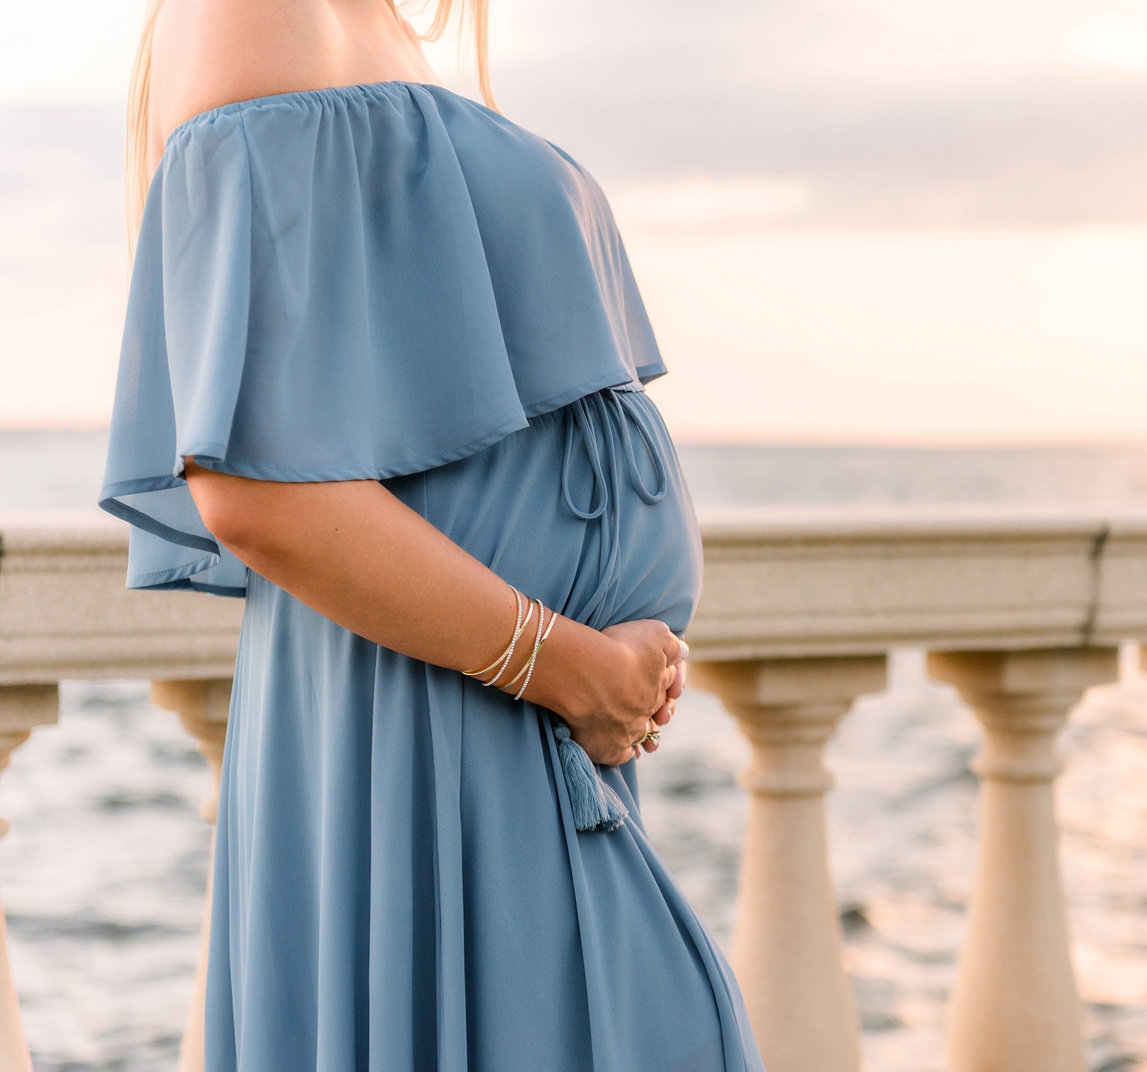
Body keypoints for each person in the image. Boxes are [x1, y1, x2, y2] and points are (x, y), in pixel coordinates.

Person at [98, 0, 766, 1068]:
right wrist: (566, 664)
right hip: (436, 719)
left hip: (517, 722)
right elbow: (259, 487)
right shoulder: (259, 11)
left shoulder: (382, 31)